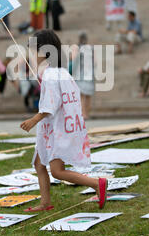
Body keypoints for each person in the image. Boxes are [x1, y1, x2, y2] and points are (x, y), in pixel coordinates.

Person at [20, 29, 108, 212]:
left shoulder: (52, 76)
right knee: (39, 164)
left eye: (33, 50)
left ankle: (96, 183)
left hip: (55, 130)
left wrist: (32, 120)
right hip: (57, 128)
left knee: (57, 171)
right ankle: (45, 202)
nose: (31, 54)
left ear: (45, 52)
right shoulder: (60, 73)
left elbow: (50, 105)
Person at [72, 32, 95, 119]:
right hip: (90, 73)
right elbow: (95, 62)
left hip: (80, 73)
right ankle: (87, 114)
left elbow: (74, 61)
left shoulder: (77, 48)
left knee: (81, 95)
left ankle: (83, 114)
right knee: (88, 95)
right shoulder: (91, 48)